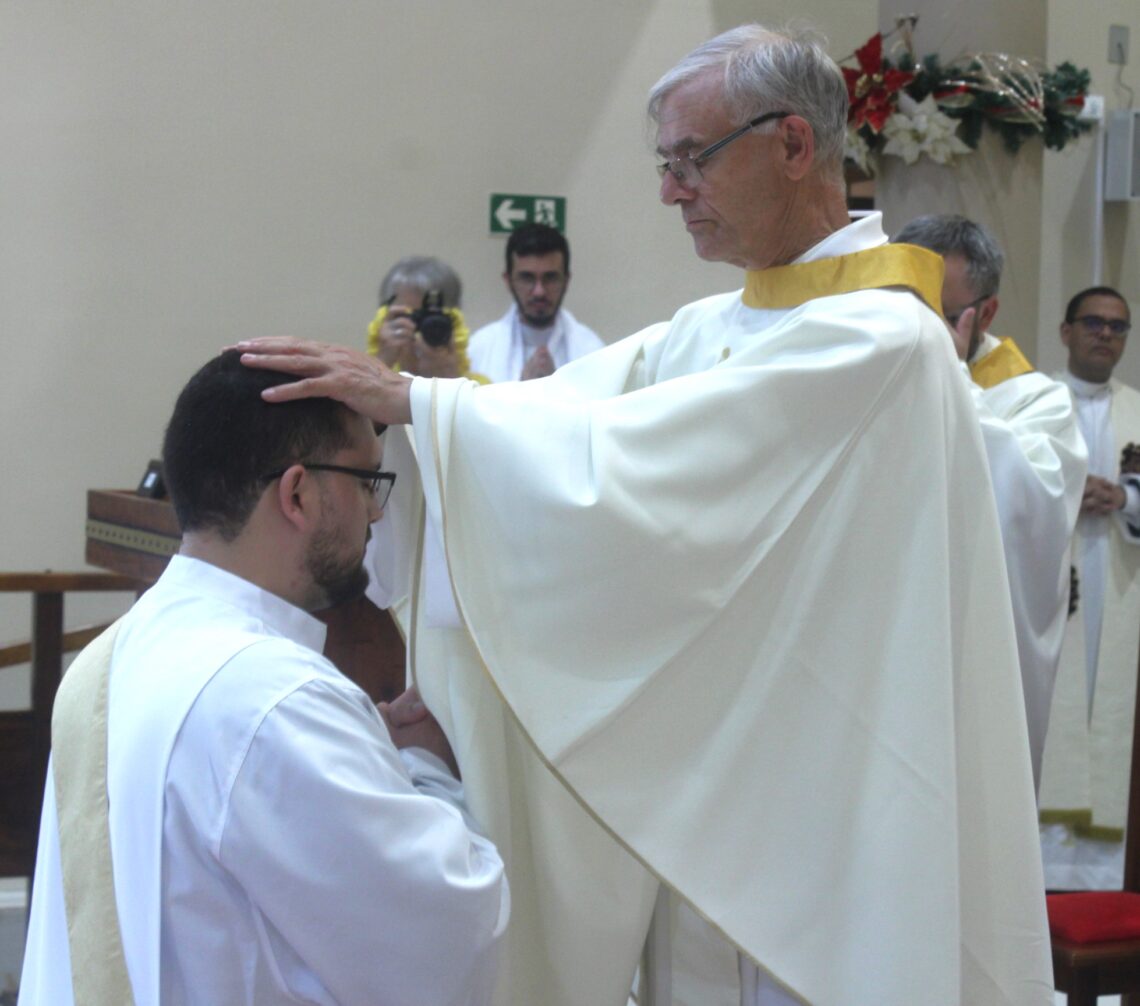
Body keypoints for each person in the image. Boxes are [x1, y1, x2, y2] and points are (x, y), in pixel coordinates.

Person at [237, 23, 1050, 1006]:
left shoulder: (880, 343)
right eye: (664, 166)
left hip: (826, 813)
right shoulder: (723, 324)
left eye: (688, 161)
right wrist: (420, 405)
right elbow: (568, 418)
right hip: (730, 794)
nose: (670, 191)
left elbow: (631, 465)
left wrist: (425, 405)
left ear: (794, 145)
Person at [19, 351, 508, 1005]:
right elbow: (450, 945)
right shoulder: (278, 700)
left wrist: (364, 756)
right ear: (299, 493)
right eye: (367, 481)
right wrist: (422, 769)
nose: (376, 513)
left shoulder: (114, 657)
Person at [892, 213, 1087, 791]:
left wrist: (946, 376)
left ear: (988, 313)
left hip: (968, 671)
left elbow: (1022, 510)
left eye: (941, 318)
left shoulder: (1036, 403)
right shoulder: (864, 369)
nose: (920, 332)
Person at [1039, 285, 1140, 889]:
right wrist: (1064, 494)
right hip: (1051, 588)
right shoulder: (1030, 402)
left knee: (1109, 706)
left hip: (1120, 587)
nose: (1106, 334)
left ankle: (1102, 883)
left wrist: (1124, 497)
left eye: (1119, 327)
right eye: (1094, 323)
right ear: (1067, 331)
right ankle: (1045, 874)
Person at [466, 223, 604, 381]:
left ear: (566, 281)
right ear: (508, 281)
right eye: (527, 278)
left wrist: (557, 388)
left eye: (550, 278)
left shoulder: (593, 351)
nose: (539, 291)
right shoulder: (479, 349)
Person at [368, 255, 489, 382]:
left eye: (433, 319)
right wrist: (381, 364)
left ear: (454, 323)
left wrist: (454, 383)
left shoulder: (483, 392)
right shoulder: (356, 385)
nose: (421, 331)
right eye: (409, 318)